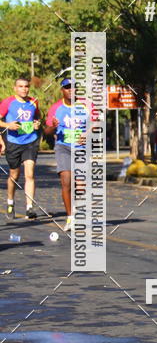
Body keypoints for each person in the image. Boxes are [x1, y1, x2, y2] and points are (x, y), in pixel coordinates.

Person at [44, 77, 89, 232]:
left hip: (81, 148)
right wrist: (53, 127)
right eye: (67, 87)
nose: (71, 90)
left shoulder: (84, 106)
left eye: (73, 87)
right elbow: (47, 131)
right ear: (62, 90)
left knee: (81, 186)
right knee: (66, 181)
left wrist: (87, 134)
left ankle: (77, 210)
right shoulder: (56, 108)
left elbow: (95, 125)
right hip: (63, 147)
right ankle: (70, 217)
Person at [0, 76, 42, 220]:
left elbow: (38, 118)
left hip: (30, 141)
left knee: (29, 174)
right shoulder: (8, 102)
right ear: (15, 88)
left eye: (26, 86)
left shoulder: (33, 102)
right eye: (21, 86)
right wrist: (8, 125)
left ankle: (29, 207)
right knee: (14, 175)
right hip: (13, 142)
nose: (24, 89)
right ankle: (10, 202)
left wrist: (37, 124)